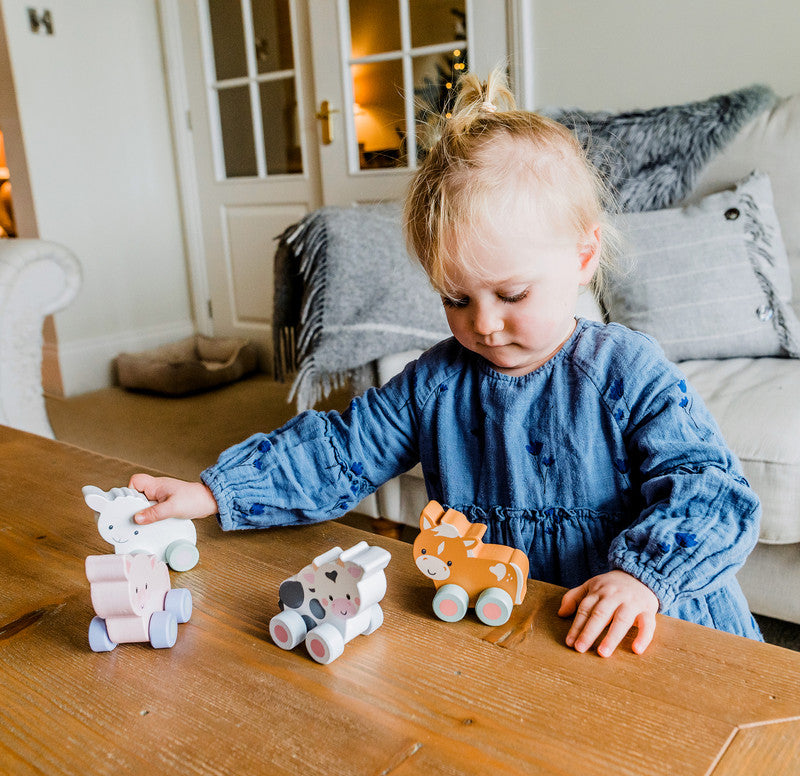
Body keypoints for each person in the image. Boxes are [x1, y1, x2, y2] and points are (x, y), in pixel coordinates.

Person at [129, 70, 762, 656]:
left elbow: (710, 486)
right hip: (510, 627)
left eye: (512, 295)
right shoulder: (436, 381)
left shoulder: (626, 369)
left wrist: (642, 576)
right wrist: (215, 491)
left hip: (647, 624)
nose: (483, 324)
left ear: (582, 256)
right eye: (456, 299)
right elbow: (340, 449)